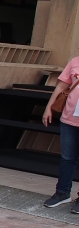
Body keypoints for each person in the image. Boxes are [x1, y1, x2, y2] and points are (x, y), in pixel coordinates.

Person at [41, 54, 79, 211]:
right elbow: (61, 87)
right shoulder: (75, 61)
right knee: (67, 158)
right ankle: (62, 193)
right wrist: (48, 108)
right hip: (69, 119)